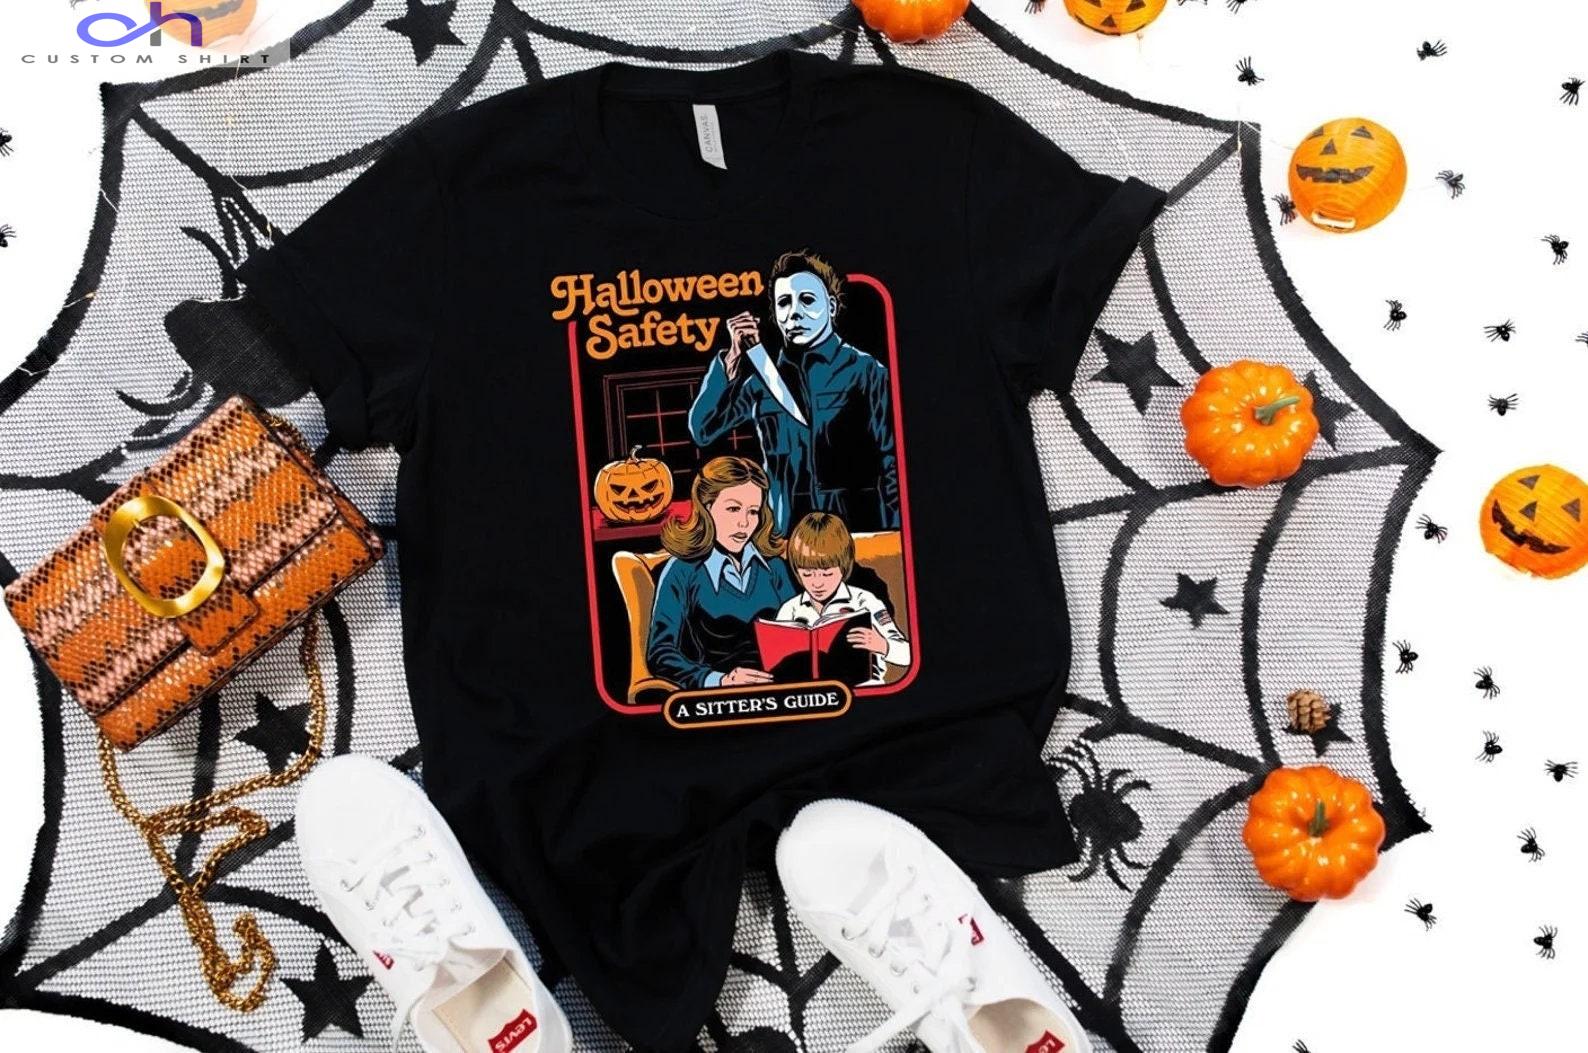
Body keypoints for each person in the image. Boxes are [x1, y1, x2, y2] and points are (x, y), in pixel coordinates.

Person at [688, 250, 900, 534]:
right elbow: (702, 430)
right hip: (786, 535)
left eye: (807, 300)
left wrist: (894, 533)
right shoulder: (763, 381)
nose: (794, 313)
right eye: (784, 303)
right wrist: (731, 359)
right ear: (775, 314)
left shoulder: (866, 372)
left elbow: (893, 460)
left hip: (857, 531)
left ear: (831, 307)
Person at [647, 456, 798, 690]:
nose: (744, 523)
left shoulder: (774, 567)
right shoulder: (682, 570)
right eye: (733, 509)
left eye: (753, 512)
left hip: (781, 687)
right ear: (707, 508)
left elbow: (799, 630)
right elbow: (660, 653)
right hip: (718, 694)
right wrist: (719, 680)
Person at [774, 512, 910, 687]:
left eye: (827, 574)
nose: (817, 583)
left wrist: (883, 645)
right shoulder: (790, 609)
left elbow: (908, 654)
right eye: (807, 574)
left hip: (863, 689)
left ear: (844, 567)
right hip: (810, 692)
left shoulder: (864, 601)